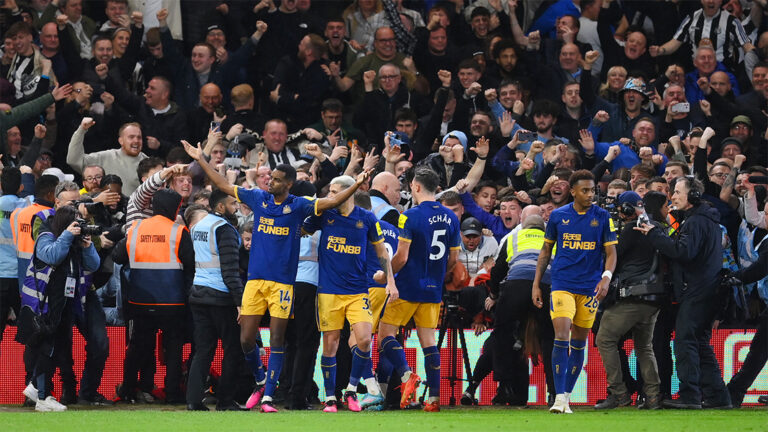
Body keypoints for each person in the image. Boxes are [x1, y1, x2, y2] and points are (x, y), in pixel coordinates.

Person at [181, 139, 371, 413]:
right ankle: (260, 381)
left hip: (283, 284)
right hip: (255, 282)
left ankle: (268, 397)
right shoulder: (258, 198)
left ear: (289, 184)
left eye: (278, 179)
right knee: (246, 339)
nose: (271, 181)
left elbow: (333, 200)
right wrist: (201, 159)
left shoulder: (299, 206)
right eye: (271, 177)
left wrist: (355, 183)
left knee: (278, 339)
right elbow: (223, 185)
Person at [635, 176, 732, 409]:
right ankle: (719, 397)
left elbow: (683, 252)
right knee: (699, 343)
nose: (673, 196)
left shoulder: (696, 221)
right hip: (705, 289)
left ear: (694, 196)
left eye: (677, 192)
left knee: (685, 342)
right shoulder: (701, 220)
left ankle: (690, 396)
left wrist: (654, 235)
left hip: (698, 290)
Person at [303, 176, 397, 413]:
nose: (331, 196)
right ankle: (330, 397)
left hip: (357, 290)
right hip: (329, 291)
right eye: (329, 191)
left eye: (335, 191)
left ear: (348, 193)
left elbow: (382, 252)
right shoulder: (325, 214)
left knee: (364, 339)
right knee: (330, 345)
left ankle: (351, 389)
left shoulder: (366, 218)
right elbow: (302, 229)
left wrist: (390, 281)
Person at [376, 167, 461, 412]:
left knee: (385, 336)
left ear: (415, 187)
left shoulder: (409, 216)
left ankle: (406, 375)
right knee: (429, 342)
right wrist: (437, 276)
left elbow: (401, 257)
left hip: (407, 286)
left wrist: (385, 275)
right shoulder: (452, 218)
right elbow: (453, 260)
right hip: (433, 289)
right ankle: (433, 399)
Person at [532, 169, 617, 414]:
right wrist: (536, 283)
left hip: (590, 286)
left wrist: (606, 278)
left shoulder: (602, 217)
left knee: (579, 342)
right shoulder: (558, 216)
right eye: (585, 190)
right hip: (562, 284)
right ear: (573, 191)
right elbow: (546, 252)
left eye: (593, 190)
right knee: (562, 334)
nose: (591, 194)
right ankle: (558, 397)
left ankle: (566, 396)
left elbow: (611, 253)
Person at [113, 188, 195, 404]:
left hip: (140, 300)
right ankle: (172, 394)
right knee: (174, 349)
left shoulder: (136, 229)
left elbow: (118, 256)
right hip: (173, 302)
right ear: (176, 208)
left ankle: (128, 389)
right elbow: (191, 266)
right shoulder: (179, 232)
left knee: (137, 346)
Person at [18, 205, 100, 412]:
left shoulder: (74, 242)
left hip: (68, 301)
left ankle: (36, 387)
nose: (79, 227)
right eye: (76, 222)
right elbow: (51, 256)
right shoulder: (47, 235)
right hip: (46, 301)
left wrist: (88, 246)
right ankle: (41, 394)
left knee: (59, 347)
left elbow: (94, 265)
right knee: (49, 345)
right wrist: (66, 235)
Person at [595, 191, 664, 410]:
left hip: (631, 297)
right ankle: (653, 396)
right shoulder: (656, 229)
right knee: (644, 347)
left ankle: (619, 394)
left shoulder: (631, 230)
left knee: (604, 339)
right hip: (652, 298)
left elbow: (612, 257)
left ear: (626, 209)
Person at [186, 189, 246, 411]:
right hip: (221, 297)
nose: (236, 207)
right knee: (232, 349)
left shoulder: (199, 226)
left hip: (199, 293)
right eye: (233, 204)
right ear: (221, 207)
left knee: (203, 350)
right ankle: (226, 401)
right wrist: (240, 302)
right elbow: (230, 271)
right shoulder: (225, 230)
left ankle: (193, 401)